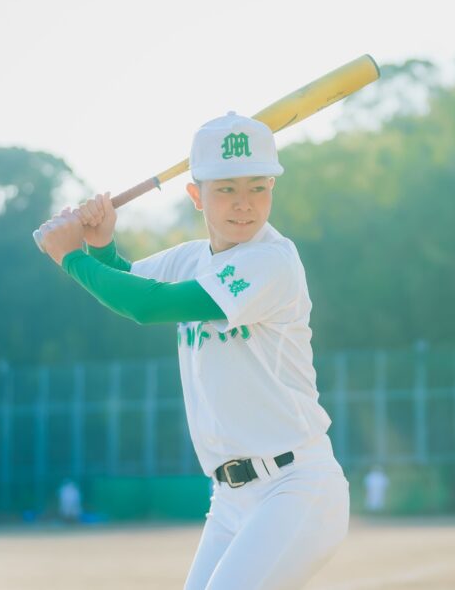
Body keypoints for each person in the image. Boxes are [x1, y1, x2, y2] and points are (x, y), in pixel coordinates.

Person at [35, 111, 349, 589]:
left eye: (258, 187)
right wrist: (100, 247)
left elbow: (147, 306)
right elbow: (127, 283)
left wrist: (70, 257)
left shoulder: (271, 261)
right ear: (196, 195)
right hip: (229, 498)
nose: (244, 203)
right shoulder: (190, 258)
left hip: (296, 487)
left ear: (272, 188)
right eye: (225, 189)